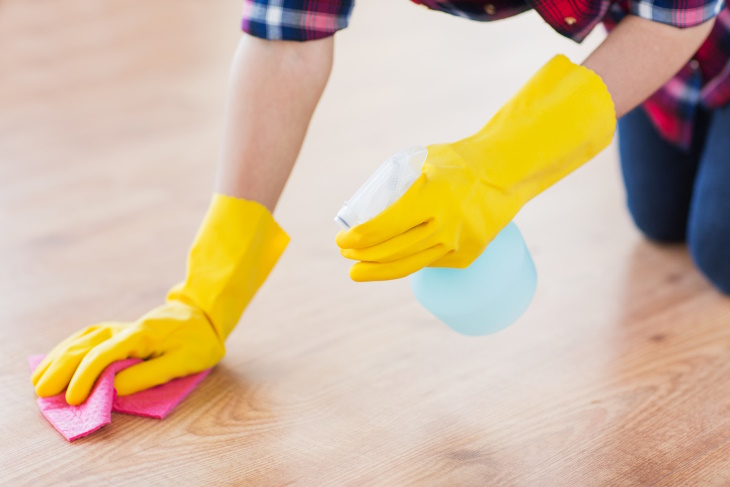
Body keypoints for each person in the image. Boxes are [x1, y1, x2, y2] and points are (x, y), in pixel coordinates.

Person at [32, 0, 728, 405]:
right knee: (659, 219)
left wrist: (500, 165)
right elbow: (286, 42)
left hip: (689, 25)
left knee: (717, 247)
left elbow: (676, 17)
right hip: (674, 60)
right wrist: (206, 294)